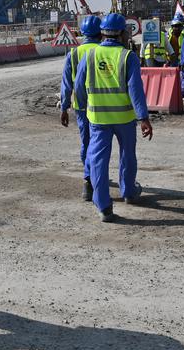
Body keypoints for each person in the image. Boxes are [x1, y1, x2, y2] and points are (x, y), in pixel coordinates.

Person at [73, 13, 153, 222]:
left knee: (98, 160)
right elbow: (136, 90)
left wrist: (82, 108)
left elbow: (79, 87)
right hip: (125, 119)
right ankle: (128, 192)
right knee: (127, 155)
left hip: (98, 120)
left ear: (103, 33)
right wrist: (143, 117)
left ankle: (104, 207)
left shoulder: (89, 56)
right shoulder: (128, 57)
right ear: (122, 33)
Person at [60, 15, 102, 201]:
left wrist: (64, 107)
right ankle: (94, 178)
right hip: (102, 105)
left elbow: (66, 83)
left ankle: (88, 181)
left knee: (86, 142)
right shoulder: (103, 50)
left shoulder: (74, 54)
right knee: (100, 144)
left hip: (81, 106)